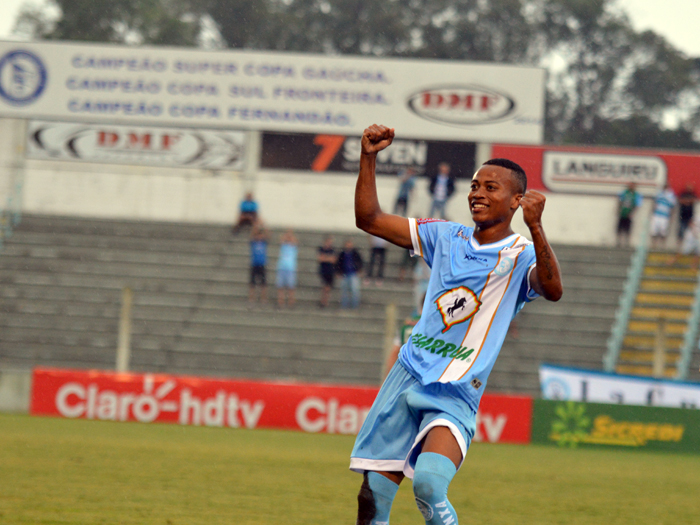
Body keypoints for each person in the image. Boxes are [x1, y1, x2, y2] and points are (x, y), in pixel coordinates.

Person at [351, 124, 562, 525]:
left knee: (429, 485)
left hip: (456, 390)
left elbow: (552, 289)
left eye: (491, 187)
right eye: (474, 185)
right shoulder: (445, 236)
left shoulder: (520, 256)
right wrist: (368, 158)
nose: (477, 193)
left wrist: (536, 228)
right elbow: (370, 219)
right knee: (371, 499)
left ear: (518, 200)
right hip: (407, 376)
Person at [336, 239, 363, 309]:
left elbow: (360, 262)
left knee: (355, 291)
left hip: (353, 273)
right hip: (344, 274)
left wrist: (359, 270)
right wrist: (338, 272)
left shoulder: (355, 253)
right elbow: (338, 263)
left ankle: (355, 306)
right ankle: (344, 306)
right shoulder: (342, 254)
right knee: (344, 291)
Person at [276, 229, 298, 308]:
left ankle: (291, 302)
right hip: (281, 268)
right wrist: (287, 234)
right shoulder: (283, 246)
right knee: (280, 287)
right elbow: (281, 239)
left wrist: (290, 234)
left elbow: (294, 240)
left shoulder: (293, 247)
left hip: (290, 269)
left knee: (291, 287)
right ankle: (280, 302)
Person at [650, 184, 676, 250]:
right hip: (657, 214)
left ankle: (662, 246)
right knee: (654, 231)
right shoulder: (659, 194)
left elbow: (672, 207)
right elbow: (654, 203)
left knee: (663, 232)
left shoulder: (671, 195)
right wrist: (652, 212)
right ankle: (653, 245)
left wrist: (671, 216)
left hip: (665, 216)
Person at [248, 221, 268, 304]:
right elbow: (251, 236)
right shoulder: (253, 243)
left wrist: (263, 226)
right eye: (258, 235)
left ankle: (263, 299)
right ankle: (251, 299)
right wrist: (255, 227)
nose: (259, 237)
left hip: (262, 265)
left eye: (260, 235)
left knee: (263, 284)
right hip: (254, 264)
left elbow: (267, 235)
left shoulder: (264, 243)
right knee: (252, 284)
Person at [616, 182, 642, 247]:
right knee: (620, 228)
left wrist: (632, 213)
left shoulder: (636, 195)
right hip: (623, 213)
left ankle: (627, 242)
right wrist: (618, 209)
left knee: (627, 229)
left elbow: (637, 205)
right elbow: (620, 201)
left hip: (629, 214)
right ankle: (619, 242)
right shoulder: (624, 193)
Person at [317, 235, 336, 308]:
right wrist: (328, 258)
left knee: (328, 287)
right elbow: (320, 259)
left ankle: (325, 301)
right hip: (324, 271)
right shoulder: (321, 249)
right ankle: (323, 301)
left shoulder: (332, 250)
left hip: (330, 271)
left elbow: (333, 260)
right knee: (325, 287)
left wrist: (325, 258)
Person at [677, 183, 696, 247]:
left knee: (689, 233)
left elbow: (694, 201)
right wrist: (688, 201)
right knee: (681, 231)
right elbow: (681, 201)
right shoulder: (683, 194)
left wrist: (687, 201)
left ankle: (687, 246)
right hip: (682, 216)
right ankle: (679, 246)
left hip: (690, 217)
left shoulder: (693, 194)